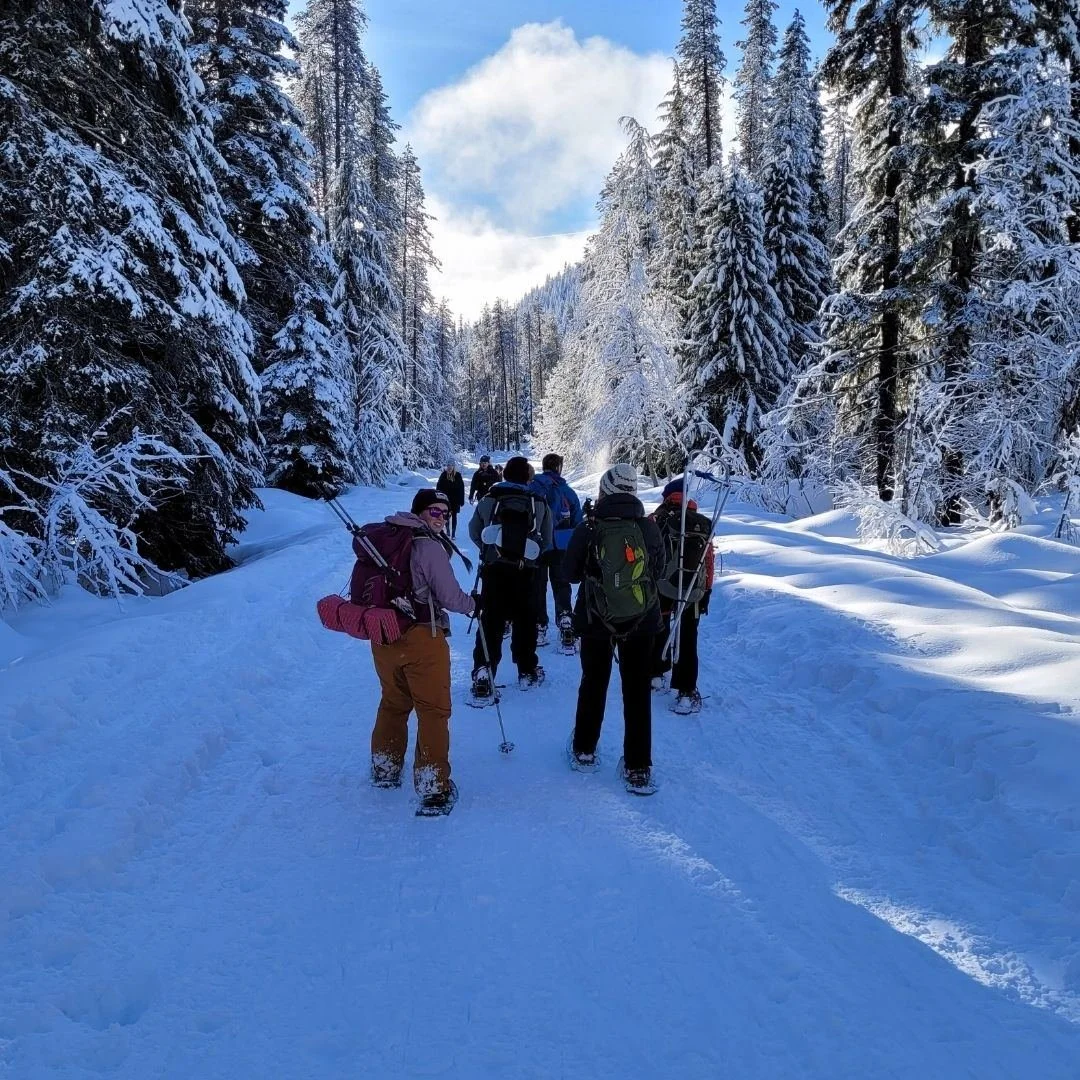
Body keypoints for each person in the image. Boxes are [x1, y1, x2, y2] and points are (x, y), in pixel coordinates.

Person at [368, 490, 475, 815]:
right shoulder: (428, 546)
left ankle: (385, 768)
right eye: (434, 511)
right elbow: (452, 597)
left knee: (393, 703)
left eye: (445, 512)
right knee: (432, 711)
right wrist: (475, 605)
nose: (441, 517)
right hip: (421, 638)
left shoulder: (387, 537)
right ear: (419, 511)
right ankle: (433, 788)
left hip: (384, 636)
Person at [564, 464, 665, 793]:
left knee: (594, 683)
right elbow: (659, 571)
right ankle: (638, 768)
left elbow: (570, 574)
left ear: (604, 490)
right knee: (636, 691)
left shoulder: (589, 527)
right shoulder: (648, 528)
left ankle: (584, 751)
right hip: (641, 620)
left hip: (596, 620)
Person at [469, 455, 552, 695]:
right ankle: (527, 670)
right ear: (527, 476)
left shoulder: (490, 499)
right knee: (526, 620)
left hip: (494, 571)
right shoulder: (537, 501)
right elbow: (545, 540)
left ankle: (484, 671)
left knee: (491, 620)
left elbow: (476, 531)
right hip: (525, 570)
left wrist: (491, 552)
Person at [649, 478, 715, 714]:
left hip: (662, 586)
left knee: (659, 625)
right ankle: (686, 692)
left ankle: (656, 673)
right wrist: (706, 590)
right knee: (688, 635)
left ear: (667, 497)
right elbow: (708, 560)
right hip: (692, 589)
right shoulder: (701, 523)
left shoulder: (656, 519)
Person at [529, 452, 583, 649]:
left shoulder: (532, 488)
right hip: (561, 545)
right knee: (561, 585)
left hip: (537, 546)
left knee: (538, 586)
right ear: (559, 467)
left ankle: (539, 625)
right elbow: (578, 521)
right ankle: (566, 619)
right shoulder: (567, 491)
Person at [436, 461, 466, 538]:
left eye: (451, 466)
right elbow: (438, 487)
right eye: (448, 465)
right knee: (446, 515)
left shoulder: (458, 475)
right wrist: (437, 498)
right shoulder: (443, 475)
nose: (449, 467)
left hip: (455, 500)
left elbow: (461, 488)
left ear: (454, 467)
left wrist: (461, 500)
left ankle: (453, 533)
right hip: (445, 500)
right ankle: (448, 531)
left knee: (454, 516)